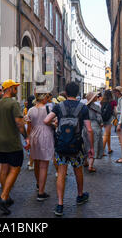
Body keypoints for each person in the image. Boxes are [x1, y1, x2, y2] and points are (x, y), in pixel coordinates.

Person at [44, 82, 92, 217]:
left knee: (61, 173)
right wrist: (91, 147)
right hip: (77, 146)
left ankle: (60, 204)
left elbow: (46, 120)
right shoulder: (83, 108)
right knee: (78, 171)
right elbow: (88, 129)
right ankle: (80, 195)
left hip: (61, 145)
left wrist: (56, 125)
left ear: (65, 92)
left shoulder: (59, 106)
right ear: (77, 93)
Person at [0, 79, 29, 215]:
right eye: (15, 88)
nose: (17, 89)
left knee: (3, 168)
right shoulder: (13, 103)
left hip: (1, 141)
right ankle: (3, 198)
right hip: (12, 141)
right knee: (15, 168)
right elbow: (19, 123)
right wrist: (26, 137)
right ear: (9, 89)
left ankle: (6, 196)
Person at [25, 93, 54, 201]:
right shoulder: (49, 107)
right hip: (45, 134)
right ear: (44, 98)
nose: (48, 99)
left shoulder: (30, 110)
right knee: (43, 165)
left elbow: (29, 127)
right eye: (47, 97)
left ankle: (38, 184)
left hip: (34, 135)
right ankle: (41, 192)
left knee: (36, 162)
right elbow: (54, 121)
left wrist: (28, 139)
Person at [83, 92, 104, 172]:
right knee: (93, 146)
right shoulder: (97, 107)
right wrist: (101, 124)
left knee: (85, 145)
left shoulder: (83, 107)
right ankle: (91, 166)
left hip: (85, 127)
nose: (97, 97)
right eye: (96, 96)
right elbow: (99, 119)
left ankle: (85, 162)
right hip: (95, 127)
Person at [24, 95, 36, 171]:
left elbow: (24, 118)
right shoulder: (33, 109)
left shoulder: (26, 109)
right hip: (31, 127)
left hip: (26, 126)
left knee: (29, 145)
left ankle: (30, 161)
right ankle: (32, 163)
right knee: (32, 146)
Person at [101, 90, 115, 155]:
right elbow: (116, 111)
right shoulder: (113, 102)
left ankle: (109, 148)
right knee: (106, 134)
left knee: (108, 133)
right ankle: (102, 151)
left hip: (103, 118)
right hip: (109, 118)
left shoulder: (102, 101)